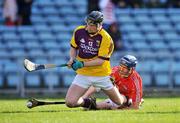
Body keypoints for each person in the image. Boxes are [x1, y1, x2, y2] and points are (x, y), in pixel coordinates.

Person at [65, 11, 127, 109]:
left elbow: (100, 61)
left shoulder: (106, 38)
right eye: (88, 23)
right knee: (70, 103)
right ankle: (89, 103)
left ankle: (126, 99)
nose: (89, 26)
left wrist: (81, 63)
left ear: (99, 25)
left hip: (101, 75)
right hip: (83, 74)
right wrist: (72, 59)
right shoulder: (79, 31)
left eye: (92, 24)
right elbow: (73, 47)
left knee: (119, 102)